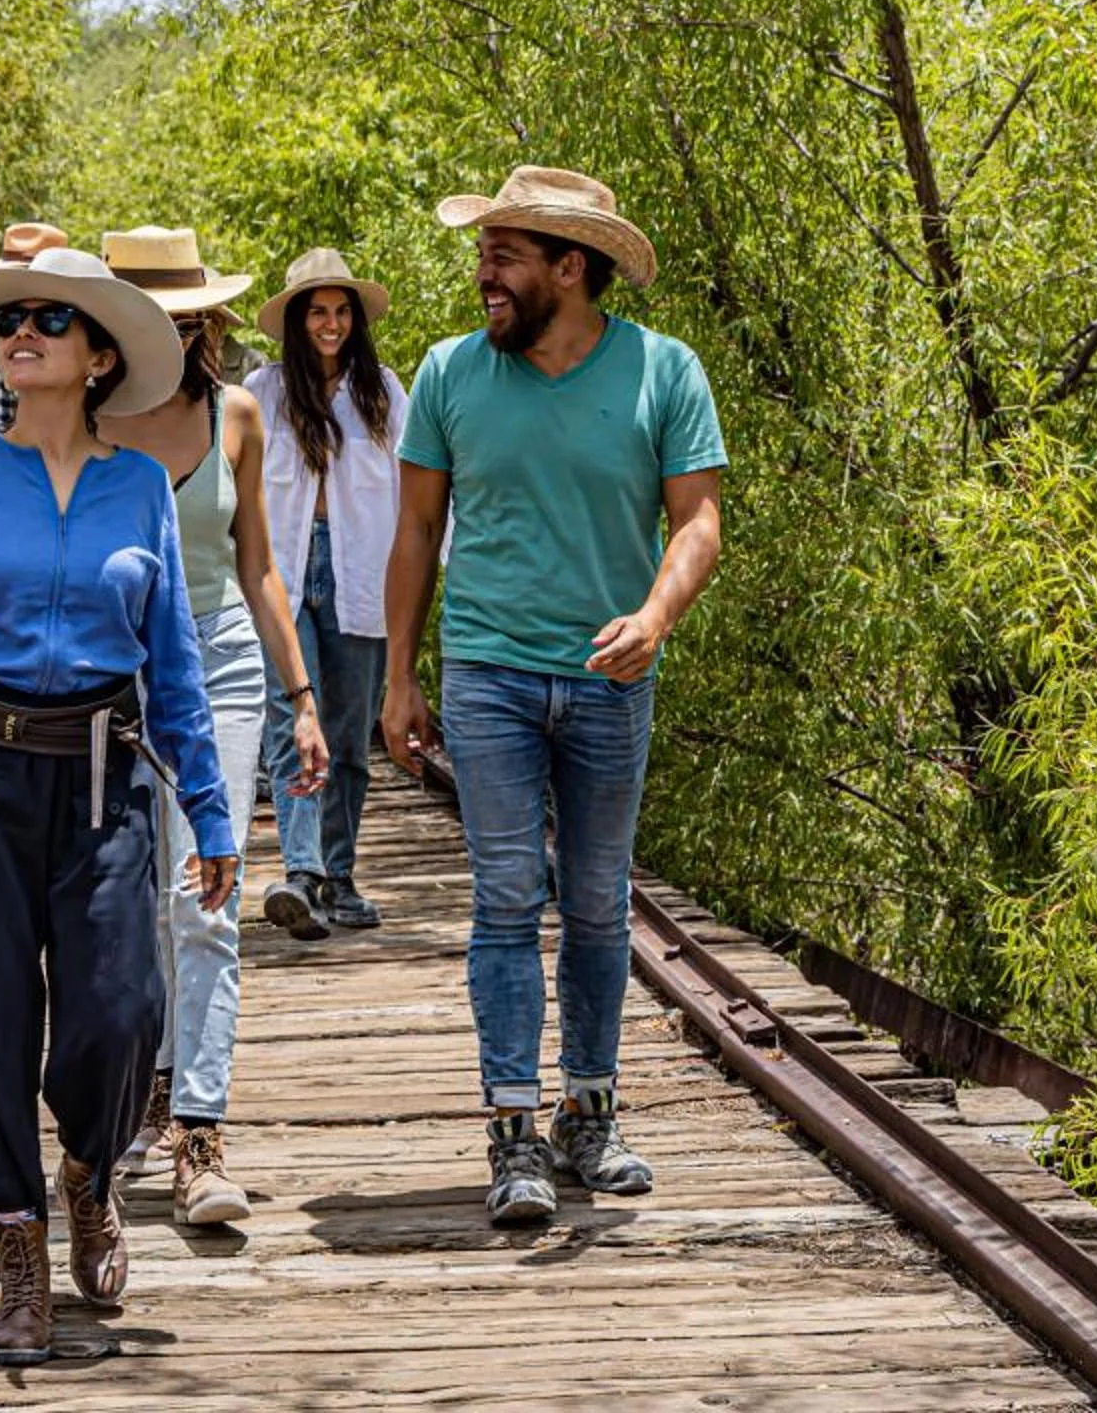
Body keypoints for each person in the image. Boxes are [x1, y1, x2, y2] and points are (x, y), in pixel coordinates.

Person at [0, 244, 241, 1364]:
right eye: (8, 319)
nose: (18, 333)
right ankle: (20, 1238)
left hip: (106, 774)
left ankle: (87, 1166)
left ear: (99, 352)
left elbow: (172, 661)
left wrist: (211, 811)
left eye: (48, 321)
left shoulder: (135, 488)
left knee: (121, 1008)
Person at [378, 167, 726, 1226]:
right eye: (484, 252)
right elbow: (414, 536)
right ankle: (513, 1127)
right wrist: (398, 673)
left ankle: (591, 1108)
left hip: (609, 677)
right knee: (505, 893)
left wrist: (655, 617)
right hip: (486, 670)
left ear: (570, 267)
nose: (483, 272)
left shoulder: (663, 371)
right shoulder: (447, 373)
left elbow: (699, 523)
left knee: (598, 896)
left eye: (504, 254)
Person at [92, 226, 328, 1227]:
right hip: (115, 677)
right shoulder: (83, 418)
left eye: (186, 313)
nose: (174, 329)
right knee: (129, 904)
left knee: (208, 896)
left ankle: (200, 1134)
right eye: (153, 314)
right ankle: (146, 1080)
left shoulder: (235, 415)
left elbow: (259, 564)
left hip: (223, 668)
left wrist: (303, 697)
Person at [248, 248, 407, 932]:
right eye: (318, 311)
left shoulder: (383, 393)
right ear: (296, 320)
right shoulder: (264, 391)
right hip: (279, 571)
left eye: (341, 312)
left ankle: (338, 876)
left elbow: (421, 490)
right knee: (293, 721)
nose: (332, 323)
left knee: (346, 734)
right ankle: (302, 872)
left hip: (361, 573)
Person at [0, 221, 70, 436]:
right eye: (9, 317)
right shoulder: (12, 342)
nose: (22, 329)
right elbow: (1, 419)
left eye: (50, 317)